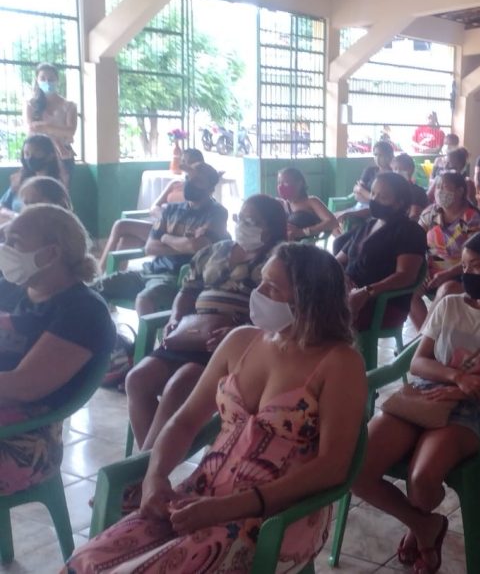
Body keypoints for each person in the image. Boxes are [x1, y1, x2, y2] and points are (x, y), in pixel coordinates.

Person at [66, 244, 368, 573]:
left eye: (272, 288)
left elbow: (333, 466)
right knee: (86, 561)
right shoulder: (242, 341)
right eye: (261, 282)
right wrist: (155, 478)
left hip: (278, 516)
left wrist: (227, 508)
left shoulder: (339, 363)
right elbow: (185, 420)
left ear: (309, 301)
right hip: (202, 492)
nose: (258, 293)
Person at [351, 231, 480, 574]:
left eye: (477, 266)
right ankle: (424, 526)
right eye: (465, 265)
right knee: (356, 469)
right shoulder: (449, 305)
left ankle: (419, 524)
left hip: (467, 410)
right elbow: (417, 362)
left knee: (423, 480)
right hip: (423, 395)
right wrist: (456, 377)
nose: (467, 272)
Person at [124, 195, 287, 453]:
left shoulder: (279, 260)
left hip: (233, 344)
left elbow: (281, 312)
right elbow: (187, 291)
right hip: (191, 332)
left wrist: (239, 331)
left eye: (252, 221)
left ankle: (140, 475)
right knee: (137, 379)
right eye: (240, 218)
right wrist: (176, 317)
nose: (242, 224)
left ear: (272, 227)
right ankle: (149, 470)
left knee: (180, 385)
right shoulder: (215, 250)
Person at [0, 204, 113, 496]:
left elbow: (25, 387)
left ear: (51, 253)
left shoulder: (82, 312)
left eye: (15, 243)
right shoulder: (12, 289)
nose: (5, 249)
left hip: (23, 442)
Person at [94, 164, 230, 316]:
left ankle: (146, 341)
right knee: (95, 288)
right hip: (148, 272)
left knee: (143, 299)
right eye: (188, 178)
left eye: (197, 181)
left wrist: (165, 237)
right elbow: (150, 248)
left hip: (176, 278)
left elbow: (197, 246)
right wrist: (182, 243)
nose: (189, 183)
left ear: (210, 189)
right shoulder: (171, 210)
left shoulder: (217, 213)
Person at [335, 172, 428, 333]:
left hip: (382, 304)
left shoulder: (409, 231)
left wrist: (367, 291)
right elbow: (338, 260)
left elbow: (405, 276)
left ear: (399, 203)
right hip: (350, 293)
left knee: (318, 317)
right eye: (372, 193)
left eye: (382, 197)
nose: (374, 200)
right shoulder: (368, 226)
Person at [97, 150, 204, 270]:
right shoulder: (175, 184)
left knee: (120, 225)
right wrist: (164, 216)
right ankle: (113, 277)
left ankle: (99, 273)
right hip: (160, 226)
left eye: (187, 162)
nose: (183, 165)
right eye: (182, 161)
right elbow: (154, 207)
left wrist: (173, 221)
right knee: (127, 239)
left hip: (177, 233)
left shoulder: (199, 191)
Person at [410, 172, 480, 330]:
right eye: (437, 187)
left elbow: (477, 259)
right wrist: (422, 269)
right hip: (432, 272)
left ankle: (421, 341)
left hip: (464, 274)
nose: (439, 191)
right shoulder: (431, 214)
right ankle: (429, 342)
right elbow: (415, 243)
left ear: (459, 191)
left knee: (447, 289)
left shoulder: (471, 219)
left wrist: (447, 274)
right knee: (409, 293)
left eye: (445, 187)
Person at [24, 63, 78, 178]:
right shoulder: (31, 104)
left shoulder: (69, 106)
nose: (47, 82)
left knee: (61, 192)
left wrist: (45, 127)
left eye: (51, 78)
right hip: (37, 156)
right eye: (43, 78)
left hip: (64, 155)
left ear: (57, 80)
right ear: (37, 80)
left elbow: (70, 131)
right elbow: (31, 129)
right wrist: (56, 136)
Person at [0, 134, 66, 223]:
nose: (30, 158)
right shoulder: (19, 180)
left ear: (50, 156)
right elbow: (2, 206)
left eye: (37, 153)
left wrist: (16, 218)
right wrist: (13, 216)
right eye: (27, 154)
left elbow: (45, 218)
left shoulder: (53, 186)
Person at [274, 168, 338, 241]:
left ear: (299, 183)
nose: (281, 186)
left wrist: (303, 232)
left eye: (286, 182)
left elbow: (332, 222)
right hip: (282, 244)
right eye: (279, 182)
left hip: (303, 245)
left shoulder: (311, 201)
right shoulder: (282, 204)